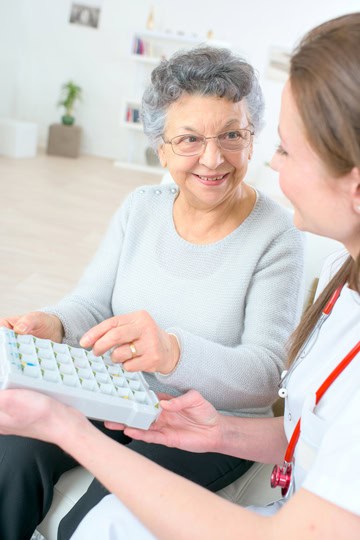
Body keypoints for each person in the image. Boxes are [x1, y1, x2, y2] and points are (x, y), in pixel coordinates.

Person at [0, 47, 304, 539]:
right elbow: (93, 304)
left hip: (208, 423)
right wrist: (52, 324)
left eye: (231, 134)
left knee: (94, 519)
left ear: (252, 140)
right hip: (111, 391)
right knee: (10, 458)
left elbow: (267, 375)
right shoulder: (141, 207)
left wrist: (172, 352)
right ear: (160, 149)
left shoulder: (277, 236)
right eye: (189, 139)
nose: (213, 158)